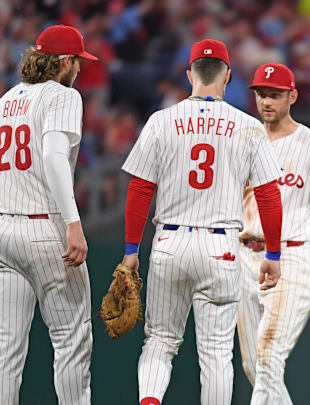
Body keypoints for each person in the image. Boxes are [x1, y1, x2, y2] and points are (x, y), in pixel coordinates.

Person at [120, 39, 284, 405]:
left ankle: (149, 401)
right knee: (215, 352)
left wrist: (132, 249)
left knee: (160, 342)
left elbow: (140, 189)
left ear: (189, 73)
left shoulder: (162, 121)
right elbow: (270, 196)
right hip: (221, 247)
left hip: (169, 241)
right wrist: (273, 253)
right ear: (227, 75)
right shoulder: (248, 127)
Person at [0, 25, 98, 405]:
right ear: (63, 62)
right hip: (44, 230)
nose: (79, 68)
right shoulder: (63, 96)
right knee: (71, 340)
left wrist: (1, 218)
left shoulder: (6, 100)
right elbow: (51, 156)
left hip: (1, 229)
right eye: (77, 61)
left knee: (5, 345)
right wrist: (73, 223)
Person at [236, 63, 310, 405]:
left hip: (291, 258)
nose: (266, 101)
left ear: (292, 96)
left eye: (274, 95)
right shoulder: (244, 138)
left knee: (267, 355)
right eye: (261, 94)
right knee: (254, 364)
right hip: (243, 256)